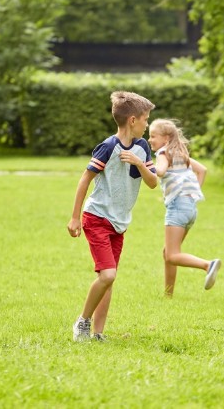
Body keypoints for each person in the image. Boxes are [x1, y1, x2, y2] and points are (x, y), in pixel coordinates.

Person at [67, 91, 158, 341]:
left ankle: (98, 334)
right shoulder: (108, 147)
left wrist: (139, 163)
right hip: (97, 217)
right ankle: (82, 322)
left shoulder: (142, 147)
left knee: (107, 279)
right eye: (145, 119)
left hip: (119, 223)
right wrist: (75, 218)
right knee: (108, 275)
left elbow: (153, 183)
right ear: (132, 120)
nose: (147, 124)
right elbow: (84, 180)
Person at [147, 118, 220, 297]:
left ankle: (208, 265)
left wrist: (144, 165)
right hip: (189, 209)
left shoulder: (163, 153)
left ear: (165, 138)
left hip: (177, 208)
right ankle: (168, 294)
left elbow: (161, 171)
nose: (149, 140)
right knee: (168, 252)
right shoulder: (180, 153)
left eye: (153, 136)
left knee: (172, 255)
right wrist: (192, 195)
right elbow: (202, 170)